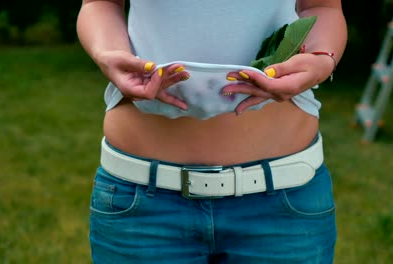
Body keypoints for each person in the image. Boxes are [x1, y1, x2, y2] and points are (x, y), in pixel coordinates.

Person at [76, 0, 347, 263]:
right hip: (140, 204)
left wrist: (322, 59)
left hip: (284, 201)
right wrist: (107, 53)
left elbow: (321, 7)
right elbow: (100, 4)